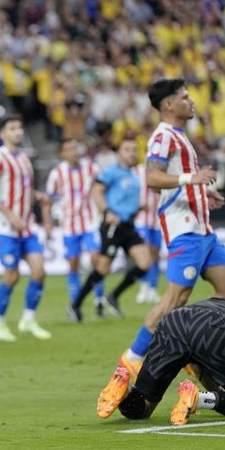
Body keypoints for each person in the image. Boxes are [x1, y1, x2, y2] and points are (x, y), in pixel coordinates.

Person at [115, 78, 225, 380]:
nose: (191, 101)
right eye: (185, 97)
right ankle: (132, 359)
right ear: (169, 104)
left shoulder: (180, 137)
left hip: (204, 230)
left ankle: (188, 339)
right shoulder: (163, 136)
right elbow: (152, 178)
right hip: (184, 231)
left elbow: (173, 181)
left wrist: (201, 192)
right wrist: (190, 180)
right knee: (174, 299)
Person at [97, 297, 225, 426]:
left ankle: (125, 390)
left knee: (142, 407)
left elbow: (201, 362)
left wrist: (221, 393)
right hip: (215, 327)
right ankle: (200, 399)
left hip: (174, 321)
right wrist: (220, 397)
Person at [66, 137, 152, 321]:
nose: (132, 153)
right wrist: (107, 211)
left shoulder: (134, 175)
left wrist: (138, 208)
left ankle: (113, 296)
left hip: (129, 226)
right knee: (103, 268)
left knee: (145, 263)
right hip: (112, 226)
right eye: (127, 149)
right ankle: (75, 305)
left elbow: (125, 199)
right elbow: (96, 191)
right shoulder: (111, 172)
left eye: (134, 149)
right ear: (119, 153)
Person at [0, 115, 51, 341]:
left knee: (39, 271)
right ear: (3, 134)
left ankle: (28, 320)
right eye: (12, 128)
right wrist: (9, 214)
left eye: (20, 127)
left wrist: (36, 195)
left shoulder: (24, 158)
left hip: (27, 226)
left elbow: (22, 189)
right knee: (12, 276)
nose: (18, 131)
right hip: (6, 227)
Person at [42, 138, 104, 315]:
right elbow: (47, 200)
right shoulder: (57, 173)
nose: (74, 152)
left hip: (90, 222)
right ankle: (76, 305)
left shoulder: (91, 168)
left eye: (75, 148)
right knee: (73, 263)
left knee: (96, 259)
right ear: (62, 154)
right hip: (69, 225)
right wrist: (47, 223)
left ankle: (99, 300)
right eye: (69, 149)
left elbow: (102, 189)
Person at [133, 161, 163, 304]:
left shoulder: (163, 171)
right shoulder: (136, 171)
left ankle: (152, 289)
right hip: (141, 220)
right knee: (145, 253)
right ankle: (143, 286)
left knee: (155, 255)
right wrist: (136, 204)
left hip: (157, 221)